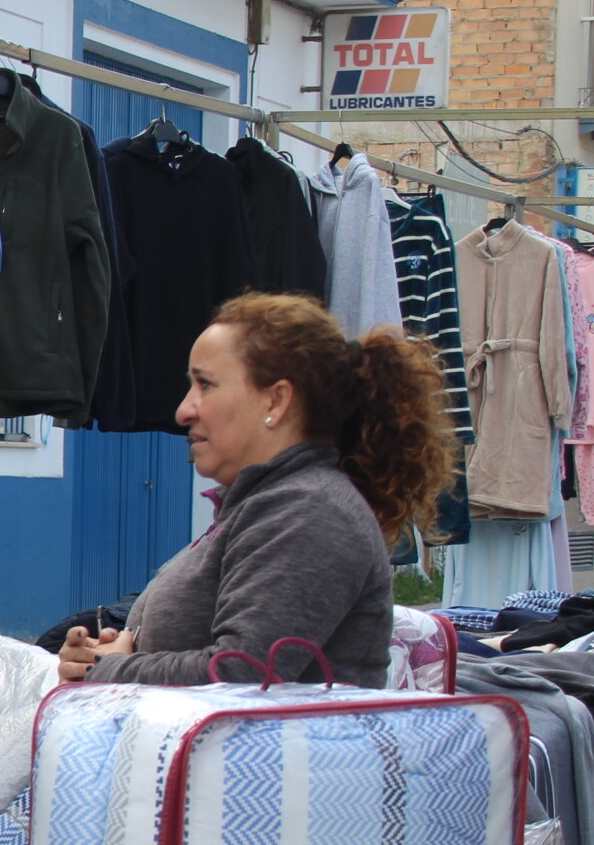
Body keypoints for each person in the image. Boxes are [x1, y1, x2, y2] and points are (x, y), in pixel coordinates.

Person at [58, 291, 455, 688]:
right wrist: (104, 655)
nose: (183, 411)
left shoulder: (310, 512)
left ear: (276, 401)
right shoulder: (270, 503)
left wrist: (108, 668)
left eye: (205, 384)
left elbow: (243, 674)